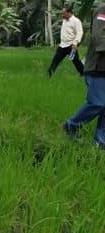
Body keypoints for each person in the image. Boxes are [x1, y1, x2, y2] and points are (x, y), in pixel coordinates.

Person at [63, 3, 105, 148]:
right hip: (97, 66)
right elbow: (98, 36)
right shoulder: (103, 10)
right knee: (98, 103)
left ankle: (100, 141)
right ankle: (72, 125)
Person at [47, 5, 84, 77]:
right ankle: (50, 74)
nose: (62, 15)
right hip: (63, 45)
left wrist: (75, 43)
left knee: (76, 61)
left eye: (64, 13)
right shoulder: (64, 20)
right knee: (56, 59)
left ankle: (83, 73)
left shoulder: (76, 21)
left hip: (71, 45)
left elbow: (80, 32)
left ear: (69, 13)